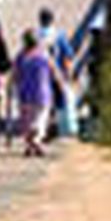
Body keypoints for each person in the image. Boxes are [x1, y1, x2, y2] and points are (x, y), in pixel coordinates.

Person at [35, 7, 76, 137]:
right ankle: (55, 126)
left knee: (43, 103)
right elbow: (67, 56)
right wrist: (68, 74)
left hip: (39, 75)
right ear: (52, 20)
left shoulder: (35, 36)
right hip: (56, 74)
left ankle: (45, 127)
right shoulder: (59, 35)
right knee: (58, 102)